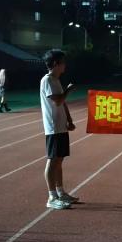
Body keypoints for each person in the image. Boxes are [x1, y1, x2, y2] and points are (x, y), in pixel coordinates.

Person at [41, 49, 78, 209]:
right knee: (52, 160)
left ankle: (61, 192)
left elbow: (62, 102)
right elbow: (57, 100)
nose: (65, 65)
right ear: (56, 63)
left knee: (59, 160)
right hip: (53, 127)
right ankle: (52, 197)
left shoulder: (55, 80)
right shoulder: (47, 80)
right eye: (63, 62)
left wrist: (69, 120)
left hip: (61, 126)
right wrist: (68, 90)